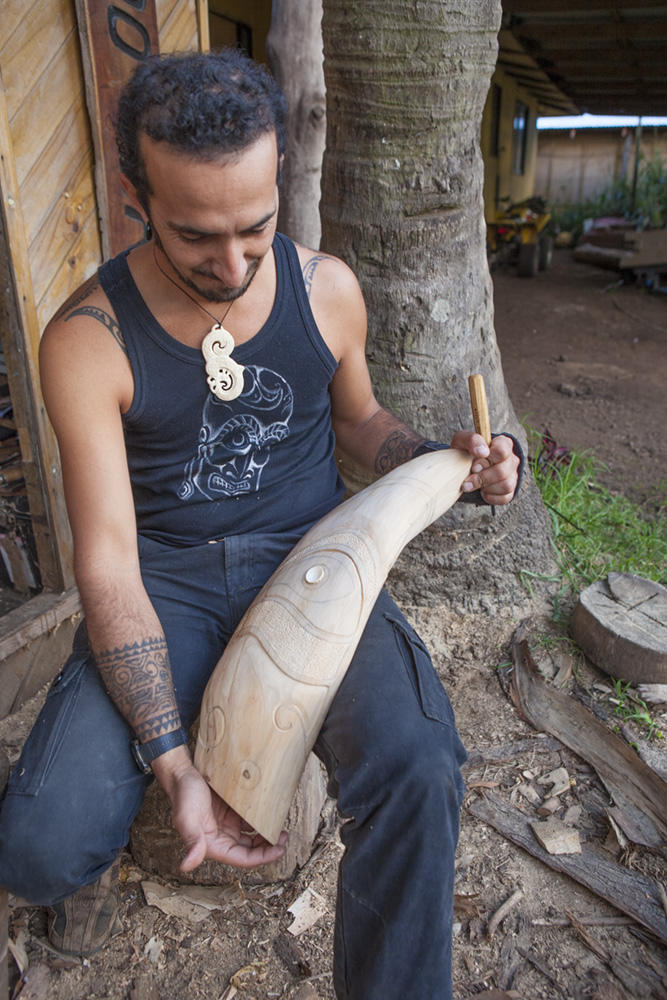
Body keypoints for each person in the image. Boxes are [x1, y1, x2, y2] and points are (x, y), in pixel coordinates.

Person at [0, 49, 521, 998]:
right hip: (167, 582)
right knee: (35, 845)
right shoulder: (88, 339)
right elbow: (108, 569)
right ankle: (83, 876)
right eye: (195, 235)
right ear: (135, 196)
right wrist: (172, 763)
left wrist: (451, 464)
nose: (233, 265)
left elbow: (362, 424)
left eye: (256, 226)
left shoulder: (326, 288)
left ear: (278, 178)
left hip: (316, 559)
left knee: (417, 769)